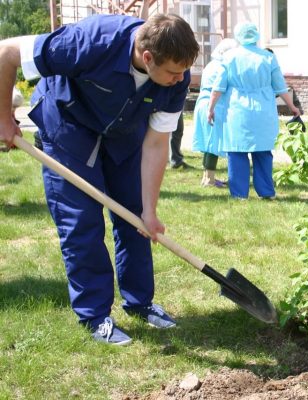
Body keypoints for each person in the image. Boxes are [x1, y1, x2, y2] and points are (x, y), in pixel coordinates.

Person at [0, 14, 200, 345]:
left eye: (183, 72)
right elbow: (6, 52)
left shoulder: (176, 75)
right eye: (174, 73)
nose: (181, 80)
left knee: (135, 217)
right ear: (147, 57)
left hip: (122, 132)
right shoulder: (89, 43)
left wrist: (150, 211)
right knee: (82, 223)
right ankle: (95, 315)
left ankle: (140, 303)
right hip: (70, 127)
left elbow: (155, 144)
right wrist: (3, 117)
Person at [207, 22, 300, 199]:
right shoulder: (268, 57)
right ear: (256, 35)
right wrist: (293, 107)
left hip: (237, 111)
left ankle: (239, 193)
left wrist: (210, 108)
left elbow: (218, 87)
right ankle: (266, 192)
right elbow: (280, 86)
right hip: (263, 110)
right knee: (263, 151)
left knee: (236, 151)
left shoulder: (229, 57)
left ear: (238, 36)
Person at [192, 38, 237, 187]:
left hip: (202, 103)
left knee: (207, 142)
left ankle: (206, 177)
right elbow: (220, 88)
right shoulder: (223, 67)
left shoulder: (210, 65)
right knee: (213, 143)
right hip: (213, 105)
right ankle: (210, 180)